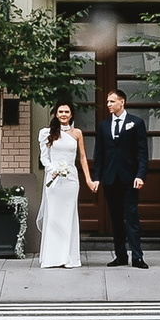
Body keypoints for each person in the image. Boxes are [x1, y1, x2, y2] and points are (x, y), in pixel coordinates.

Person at [93, 86, 150, 268]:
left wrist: (140, 175)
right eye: (108, 102)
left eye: (112, 101)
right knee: (116, 219)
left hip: (130, 178)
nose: (108, 104)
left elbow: (142, 152)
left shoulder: (136, 123)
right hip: (110, 178)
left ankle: (137, 256)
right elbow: (99, 153)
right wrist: (96, 177)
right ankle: (120, 256)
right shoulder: (103, 126)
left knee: (131, 217)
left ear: (122, 102)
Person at [34, 101, 93, 269]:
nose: (64, 114)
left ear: (71, 114)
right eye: (61, 111)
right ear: (56, 114)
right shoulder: (46, 133)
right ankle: (52, 257)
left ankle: (68, 257)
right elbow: (44, 157)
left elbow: (82, 157)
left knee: (69, 217)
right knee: (54, 217)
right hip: (54, 179)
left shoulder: (77, 133)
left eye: (67, 112)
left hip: (71, 179)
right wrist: (52, 169)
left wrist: (88, 179)